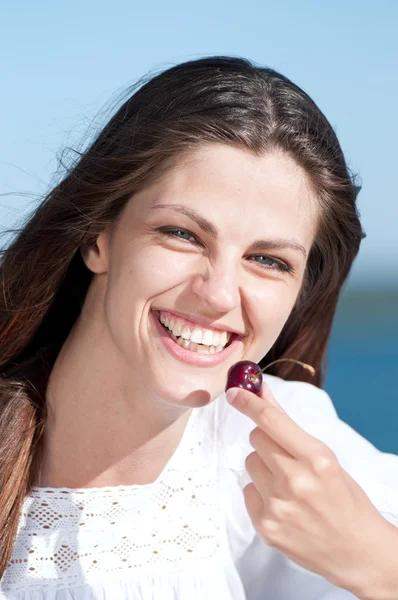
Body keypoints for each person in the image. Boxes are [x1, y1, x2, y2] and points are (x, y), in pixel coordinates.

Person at [0, 56, 397, 600]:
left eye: (269, 261)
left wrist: (377, 563)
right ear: (98, 238)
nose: (216, 294)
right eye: (182, 234)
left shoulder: (287, 456)